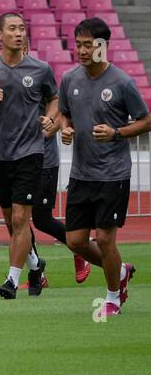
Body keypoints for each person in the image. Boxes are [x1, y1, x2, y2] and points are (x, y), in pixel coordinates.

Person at [59, 18, 151, 318]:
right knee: (75, 241)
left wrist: (117, 133)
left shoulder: (122, 82)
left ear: (103, 46)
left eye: (89, 45)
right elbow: (65, 116)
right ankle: (120, 271)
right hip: (80, 173)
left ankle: (113, 296)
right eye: (79, 44)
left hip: (112, 174)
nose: (83, 50)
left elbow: (146, 120)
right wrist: (66, 130)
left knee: (105, 239)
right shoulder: (70, 79)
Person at [0, 13, 59, 299]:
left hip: (30, 153)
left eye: (22, 29)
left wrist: (51, 119)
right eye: (13, 29)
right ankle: (35, 264)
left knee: (20, 219)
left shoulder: (41, 69)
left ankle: (11, 281)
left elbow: (54, 97)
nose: (19, 34)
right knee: (10, 220)